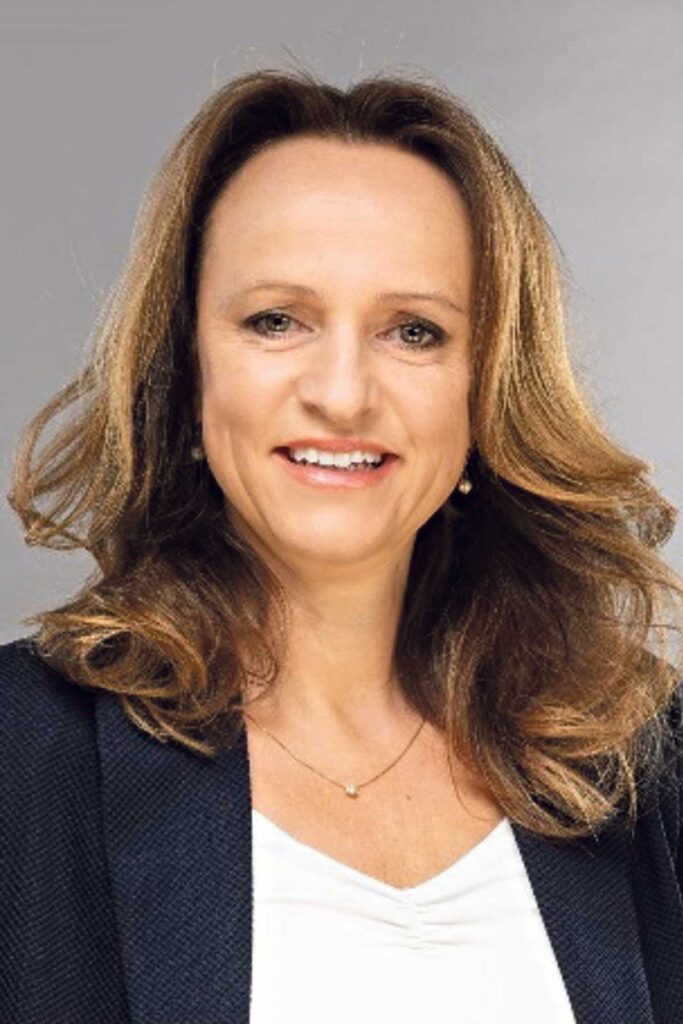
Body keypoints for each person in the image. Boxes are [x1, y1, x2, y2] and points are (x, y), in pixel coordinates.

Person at [2, 65, 683, 1024]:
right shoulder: (25, 751)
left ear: (485, 389)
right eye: (275, 320)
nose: (342, 393)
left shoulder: (634, 761)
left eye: (414, 332)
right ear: (187, 370)